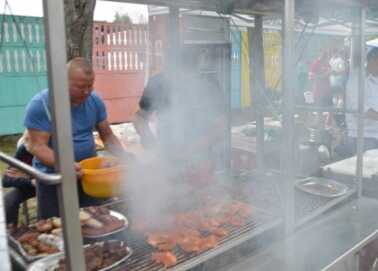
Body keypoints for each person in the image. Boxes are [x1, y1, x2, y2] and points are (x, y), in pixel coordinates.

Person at [23, 57, 130, 219]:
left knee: (95, 224)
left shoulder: (95, 101)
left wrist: (124, 157)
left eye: (90, 85)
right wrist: (66, 166)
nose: (87, 91)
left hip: (88, 177)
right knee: (56, 229)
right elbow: (38, 147)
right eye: (80, 87)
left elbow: (107, 136)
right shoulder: (41, 105)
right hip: (53, 180)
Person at [132, 62, 227, 188]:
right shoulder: (157, 84)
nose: (176, 82)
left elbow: (221, 129)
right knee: (169, 201)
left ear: (194, 71)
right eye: (171, 76)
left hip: (201, 162)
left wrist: (194, 146)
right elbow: (139, 117)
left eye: (185, 77)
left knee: (205, 201)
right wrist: (149, 139)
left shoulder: (210, 85)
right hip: (166, 163)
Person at [344, 47, 378, 155]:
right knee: (363, 171)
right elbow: (358, 107)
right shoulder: (357, 77)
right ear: (371, 61)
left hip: (377, 137)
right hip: (361, 138)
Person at [2, 130, 35, 227]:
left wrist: (26, 176)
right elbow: (6, 180)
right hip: (30, 185)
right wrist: (30, 181)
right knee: (10, 196)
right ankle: (11, 232)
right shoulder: (23, 150)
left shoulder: (53, 149)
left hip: (49, 186)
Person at [309, 48, 333, 125]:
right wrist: (325, 75)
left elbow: (333, 72)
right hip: (319, 93)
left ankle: (327, 130)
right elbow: (310, 78)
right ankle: (317, 132)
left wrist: (343, 70)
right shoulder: (315, 63)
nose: (326, 55)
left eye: (327, 53)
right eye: (324, 53)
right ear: (320, 53)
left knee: (331, 111)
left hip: (327, 92)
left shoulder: (326, 63)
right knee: (319, 113)